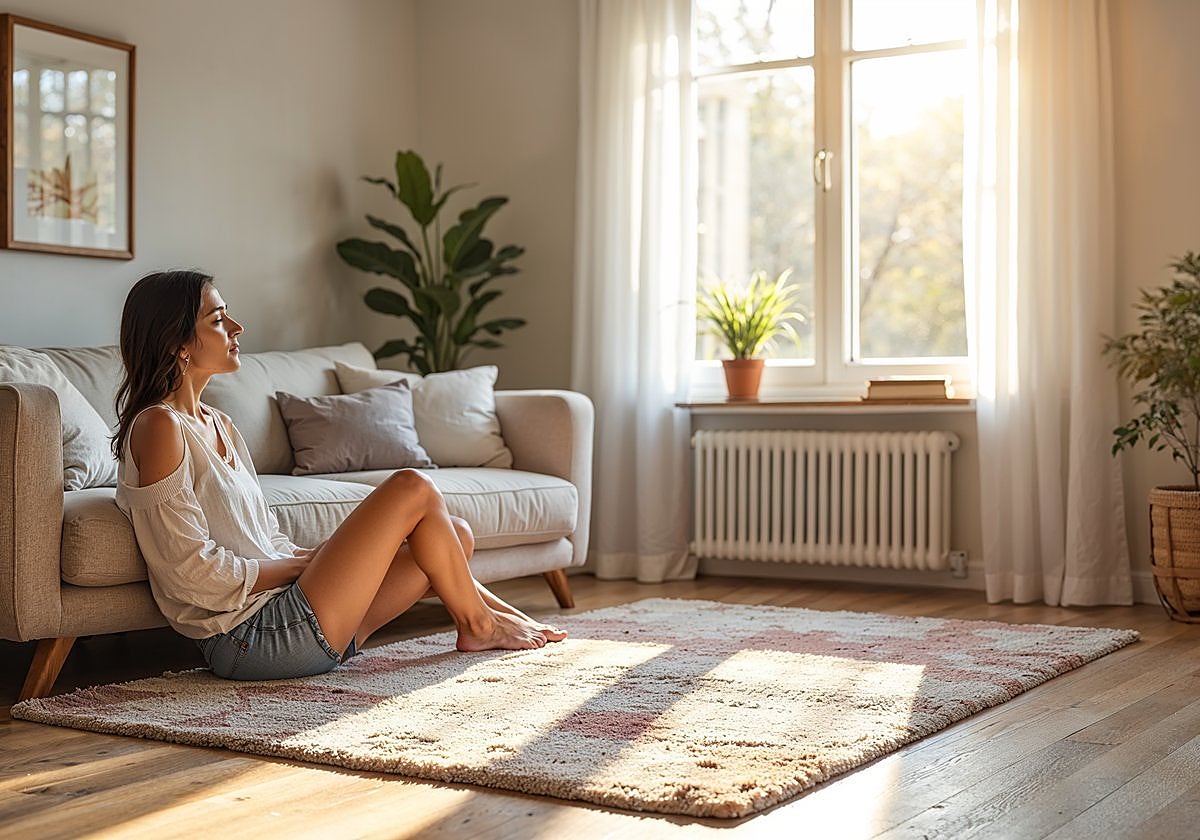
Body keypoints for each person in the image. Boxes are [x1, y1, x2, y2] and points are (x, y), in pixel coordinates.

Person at [112, 269, 565, 681]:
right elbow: (189, 573)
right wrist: (300, 567)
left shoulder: (219, 423)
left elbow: (265, 535)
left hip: (297, 618)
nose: (237, 328)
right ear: (176, 344)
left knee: (453, 535)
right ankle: (480, 625)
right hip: (252, 638)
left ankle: (496, 617)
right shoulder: (159, 427)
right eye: (217, 319)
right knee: (412, 486)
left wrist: (309, 559)